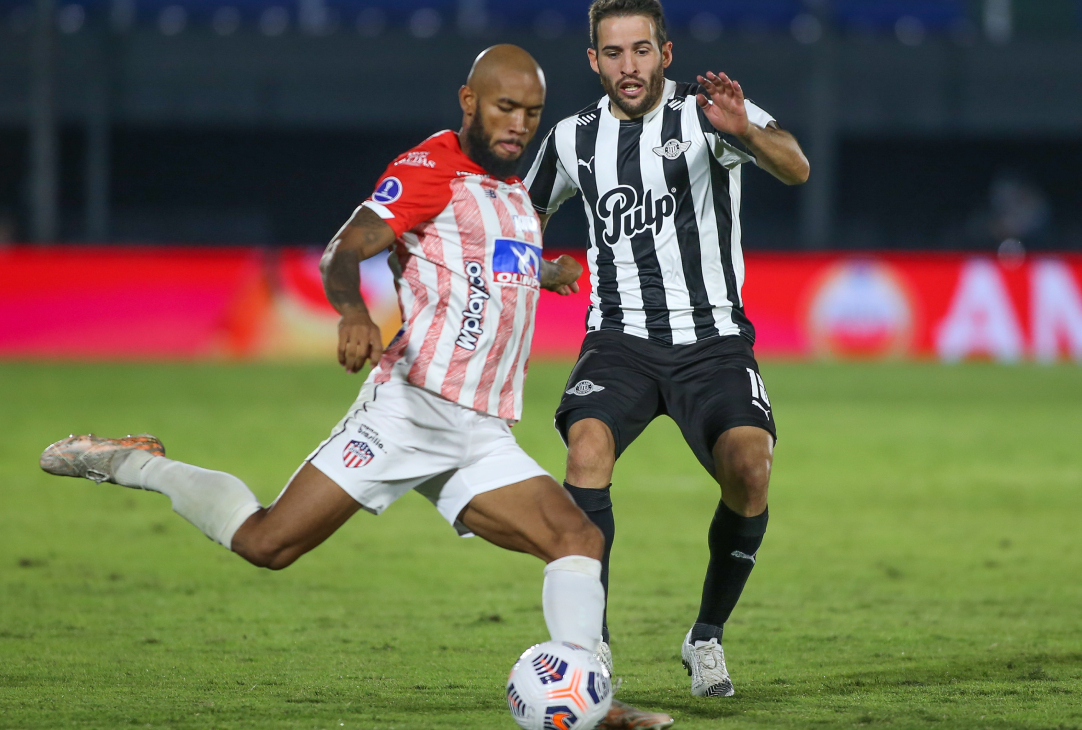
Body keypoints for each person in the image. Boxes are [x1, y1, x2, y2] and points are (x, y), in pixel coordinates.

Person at [39, 42, 611, 694]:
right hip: (410, 408)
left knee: (578, 540)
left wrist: (545, 270)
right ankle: (130, 461)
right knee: (267, 543)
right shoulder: (430, 168)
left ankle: (589, 693)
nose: (519, 124)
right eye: (506, 107)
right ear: (469, 101)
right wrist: (352, 314)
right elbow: (347, 247)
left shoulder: (511, 190)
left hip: (480, 431)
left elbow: (478, 259)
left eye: (532, 113)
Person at [524, 0, 810, 698]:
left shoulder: (710, 113)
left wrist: (746, 131)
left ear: (666, 52)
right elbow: (520, 217)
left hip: (712, 342)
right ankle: (591, 643)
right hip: (618, 339)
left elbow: (796, 166)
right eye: (614, 54)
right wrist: (538, 265)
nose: (630, 67)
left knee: (750, 467)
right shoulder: (570, 139)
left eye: (642, 51)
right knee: (586, 449)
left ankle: (705, 637)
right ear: (594, 61)